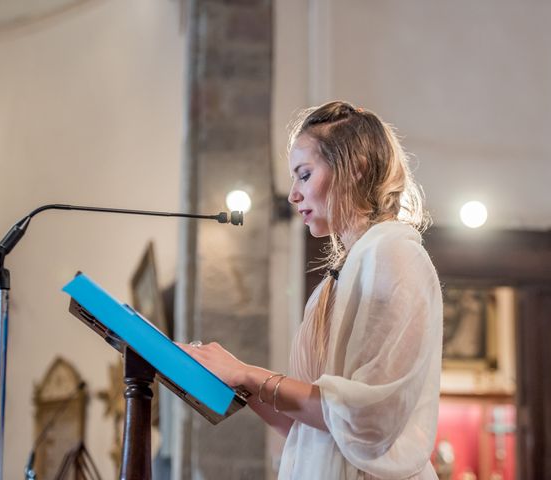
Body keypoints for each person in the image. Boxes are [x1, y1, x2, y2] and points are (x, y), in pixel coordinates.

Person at [178, 101, 443, 479]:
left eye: (304, 175)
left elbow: (367, 420)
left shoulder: (395, 255)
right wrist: (231, 378)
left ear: (356, 169)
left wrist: (248, 373)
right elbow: (309, 428)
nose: (292, 195)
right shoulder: (332, 285)